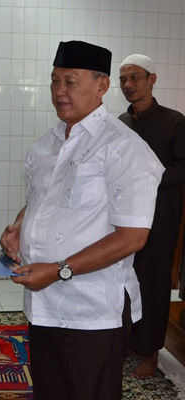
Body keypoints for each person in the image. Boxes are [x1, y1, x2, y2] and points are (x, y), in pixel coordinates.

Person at [0, 41, 164, 399]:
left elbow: (133, 236)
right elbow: (40, 201)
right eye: (54, 80)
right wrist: (18, 228)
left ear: (102, 86)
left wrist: (59, 269)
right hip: (42, 305)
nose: (59, 91)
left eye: (70, 82)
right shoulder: (46, 145)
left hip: (93, 310)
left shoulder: (124, 147)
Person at [118, 54, 185, 378]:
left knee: (155, 283)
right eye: (123, 80)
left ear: (151, 79)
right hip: (125, 219)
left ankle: (151, 352)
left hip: (160, 219)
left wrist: (151, 179)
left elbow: (182, 167)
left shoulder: (175, 121)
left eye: (135, 78)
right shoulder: (121, 122)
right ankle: (130, 339)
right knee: (125, 281)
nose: (128, 85)